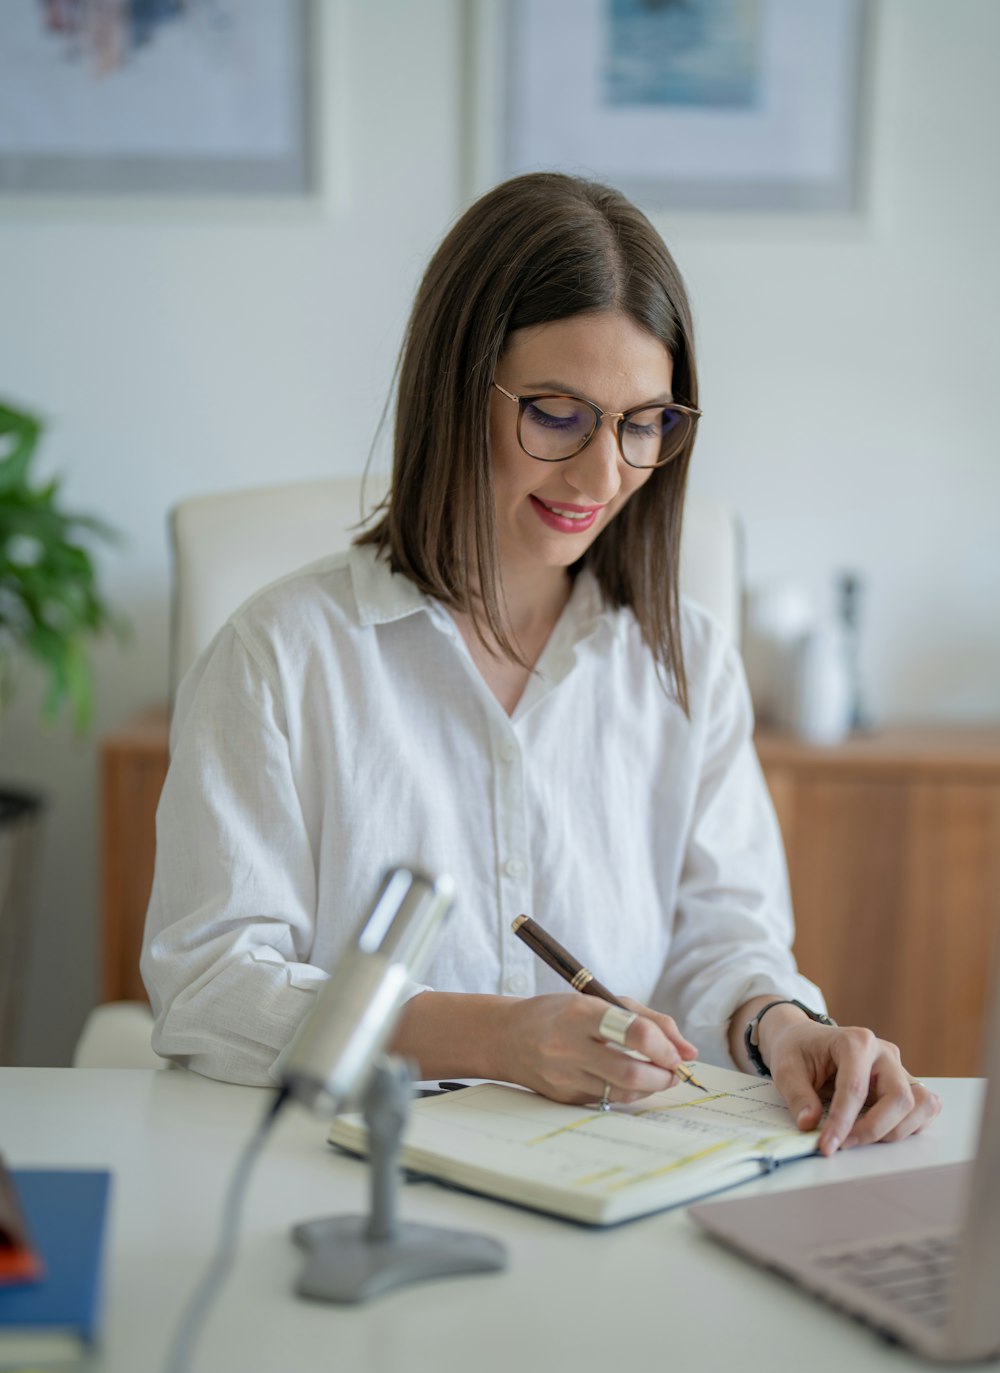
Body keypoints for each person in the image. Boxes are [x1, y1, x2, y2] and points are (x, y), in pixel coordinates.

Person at [142, 172, 940, 1156]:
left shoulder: (684, 659)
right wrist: (495, 1036)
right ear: (454, 393)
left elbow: (721, 942)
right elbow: (211, 987)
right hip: (350, 1180)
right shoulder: (279, 657)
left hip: (618, 1178)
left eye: (644, 422)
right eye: (557, 414)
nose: (604, 476)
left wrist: (784, 1026)